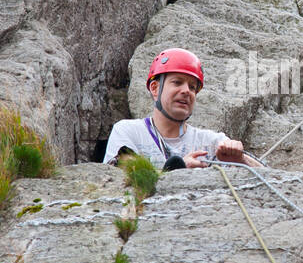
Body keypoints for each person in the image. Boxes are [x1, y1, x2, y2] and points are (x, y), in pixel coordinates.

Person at [103, 48, 259, 171]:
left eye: (192, 87)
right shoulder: (129, 132)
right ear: (155, 88)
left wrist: (241, 160)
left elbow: (269, 179)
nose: (186, 91)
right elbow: (120, 181)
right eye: (177, 82)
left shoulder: (211, 143)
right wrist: (177, 168)